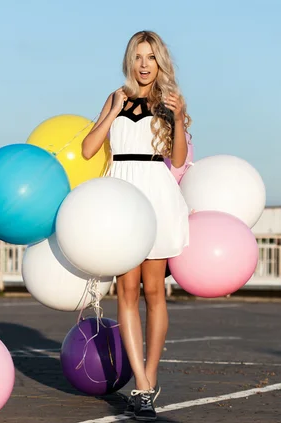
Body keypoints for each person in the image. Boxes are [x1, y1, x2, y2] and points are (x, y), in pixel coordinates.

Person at [81, 30, 191, 421]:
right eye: (138, 56)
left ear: (160, 62)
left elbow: (177, 161)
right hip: (121, 199)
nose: (144, 64)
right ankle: (142, 384)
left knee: (154, 293)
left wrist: (177, 118)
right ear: (131, 60)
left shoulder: (169, 102)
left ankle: (149, 379)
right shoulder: (115, 96)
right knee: (126, 293)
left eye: (150, 57)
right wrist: (112, 112)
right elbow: (88, 148)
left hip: (156, 196)